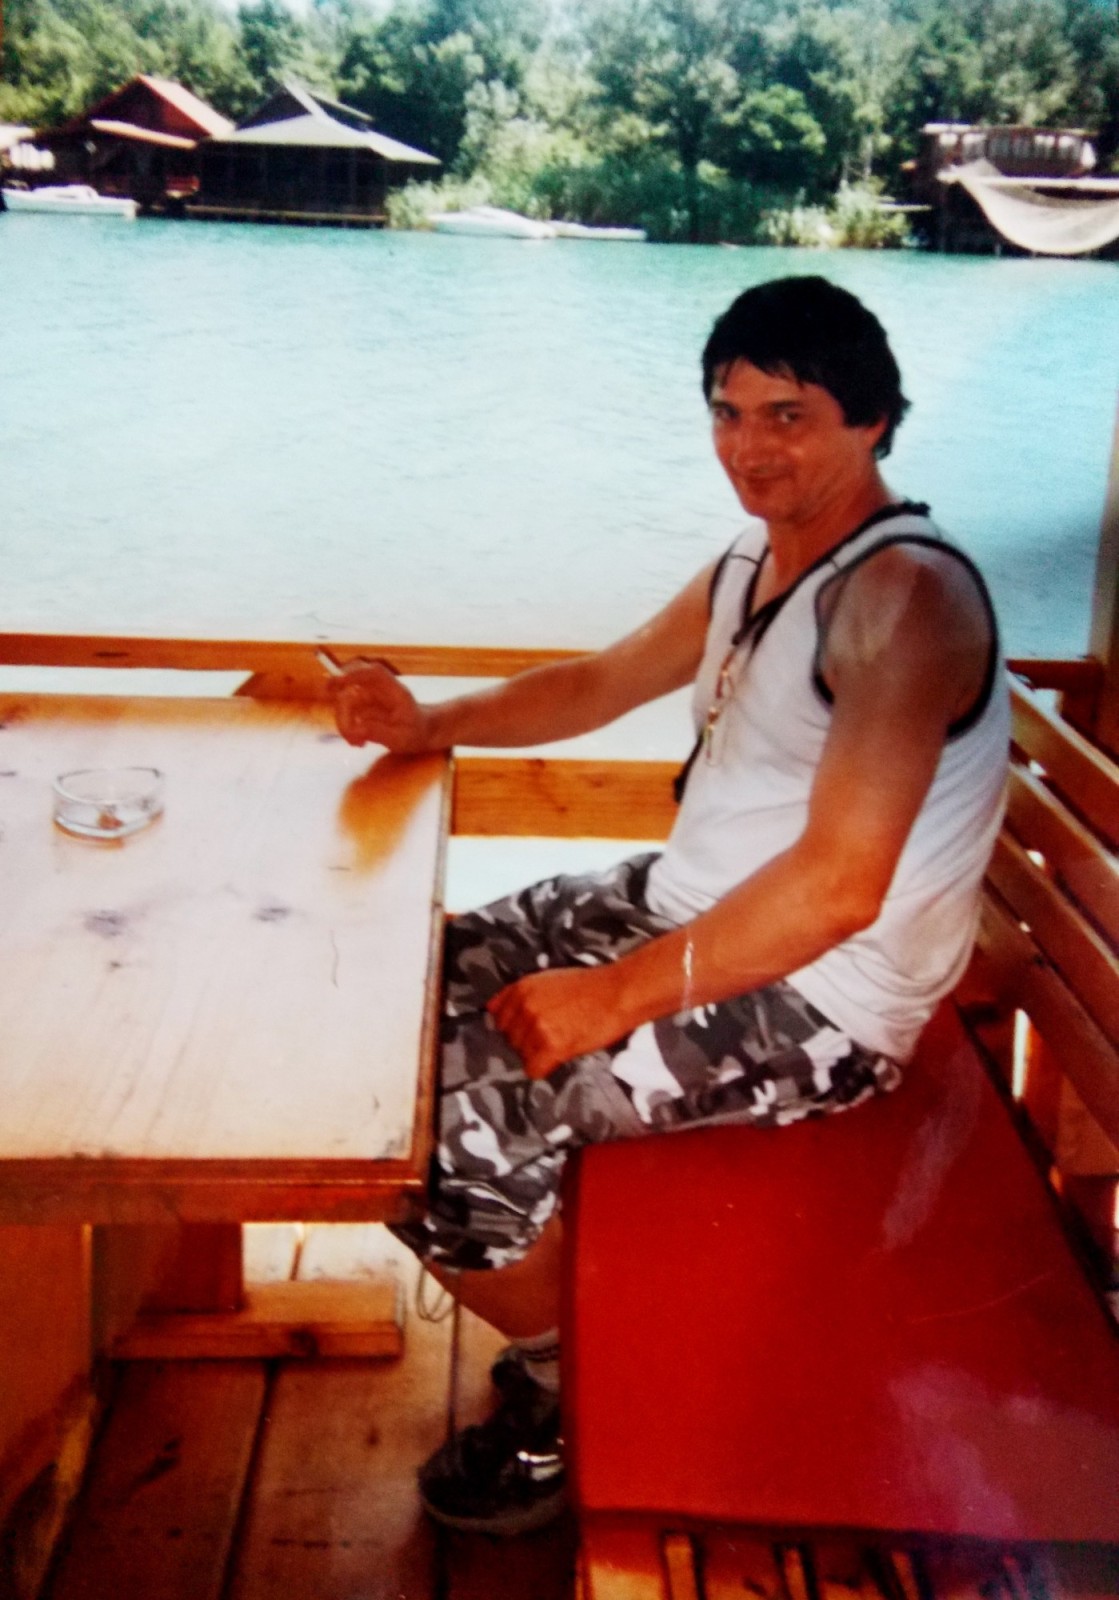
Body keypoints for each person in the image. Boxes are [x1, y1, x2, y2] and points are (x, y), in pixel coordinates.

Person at [329, 275, 1010, 1536]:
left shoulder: (904, 601)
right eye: (728, 412)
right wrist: (428, 722)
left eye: (788, 415)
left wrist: (613, 997)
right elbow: (598, 681)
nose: (750, 448)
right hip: (687, 907)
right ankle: (559, 1306)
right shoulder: (760, 560)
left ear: (873, 421)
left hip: (820, 997)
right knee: (383, 1004)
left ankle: (569, 1391)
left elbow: (840, 885)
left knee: (430, 1126)